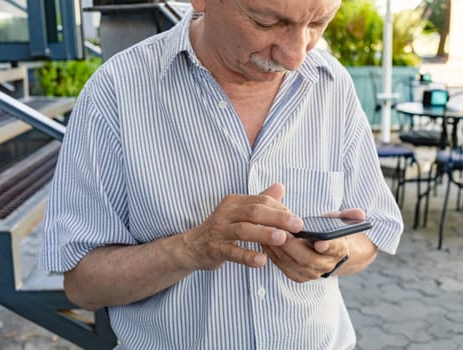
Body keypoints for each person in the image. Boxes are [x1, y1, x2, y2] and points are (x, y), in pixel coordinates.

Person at [40, 0, 403, 348]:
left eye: (317, 23)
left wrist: (334, 254)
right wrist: (191, 249)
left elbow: (371, 238)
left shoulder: (332, 84)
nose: (296, 56)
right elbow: (83, 286)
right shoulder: (117, 92)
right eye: (267, 21)